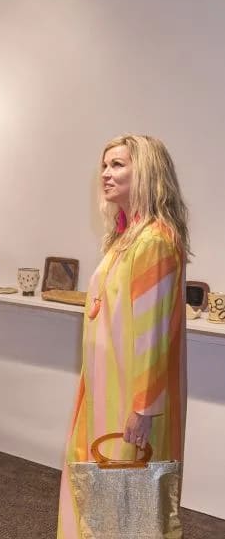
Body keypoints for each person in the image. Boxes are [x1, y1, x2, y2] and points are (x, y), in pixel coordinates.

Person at [57, 134, 189, 538]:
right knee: (101, 487)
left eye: (117, 165)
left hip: (128, 396)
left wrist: (143, 408)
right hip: (104, 387)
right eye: (104, 165)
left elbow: (153, 334)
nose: (105, 173)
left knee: (126, 499)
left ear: (146, 171)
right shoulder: (126, 238)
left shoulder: (155, 241)